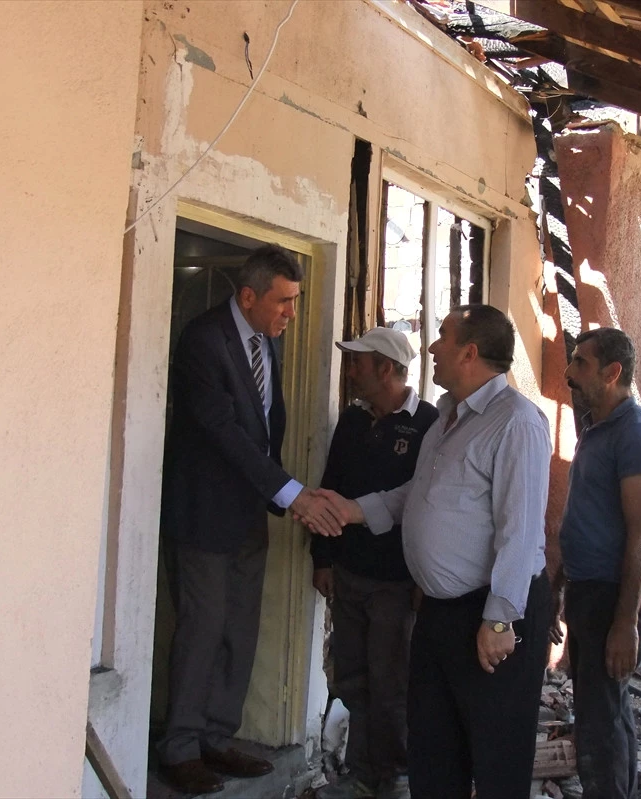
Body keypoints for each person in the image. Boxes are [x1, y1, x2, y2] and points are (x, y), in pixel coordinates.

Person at [312, 305, 553, 799]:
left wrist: (500, 620)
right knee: (433, 746)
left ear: (470, 351)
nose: (431, 347)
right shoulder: (447, 416)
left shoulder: (517, 422)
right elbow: (416, 496)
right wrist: (353, 510)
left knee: (495, 753)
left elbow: (520, 529)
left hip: (492, 612)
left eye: (442, 336)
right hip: (442, 611)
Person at [158, 244, 344, 796]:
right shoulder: (203, 341)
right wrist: (291, 494)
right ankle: (180, 747)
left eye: (295, 301)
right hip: (203, 516)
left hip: (248, 515)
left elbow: (264, 427)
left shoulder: (267, 341)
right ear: (248, 296)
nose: (291, 312)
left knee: (238, 630)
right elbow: (223, 432)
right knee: (201, 629)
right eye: (283, 301)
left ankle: (216, 736)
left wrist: (276, 495)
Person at [311, 328, 439, 799]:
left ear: (385, 368)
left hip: (395, 583)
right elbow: (330, 487)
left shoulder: (429, 425)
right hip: (347, 574)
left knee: (392, 685)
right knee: (352, 677)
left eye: (358, 363)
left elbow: (426, 505)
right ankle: (364, 776)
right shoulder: (352, 422)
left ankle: (398, 777)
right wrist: (322, 558)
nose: (351, 372)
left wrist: (421, 578)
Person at [547, 328, 641, 799]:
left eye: (580, 363)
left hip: (613, 598)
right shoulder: (598, 429)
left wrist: (626, 624)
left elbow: (640, 535)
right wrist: (560, 585)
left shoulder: (637, 435)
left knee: (602, 720)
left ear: (612, 372)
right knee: (600, 714)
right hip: (587, 591)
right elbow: (582, 516)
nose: (570, 373)